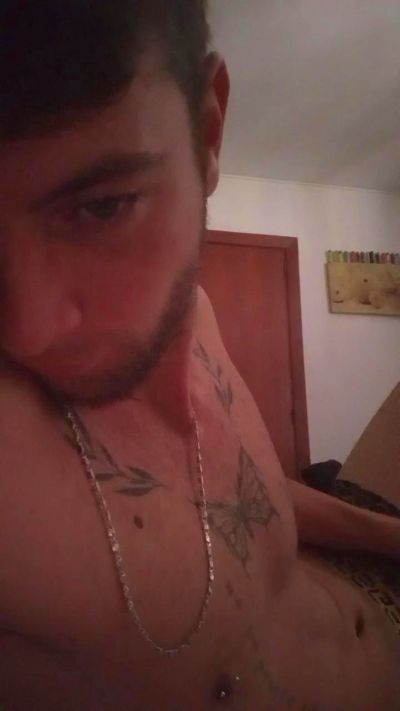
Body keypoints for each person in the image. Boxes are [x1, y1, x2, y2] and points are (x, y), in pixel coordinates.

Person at [0, 2, 399, 709]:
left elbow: (243, 491)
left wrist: (389, 536)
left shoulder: (197, 313)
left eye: (102, 207)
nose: (30, 330)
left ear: (208, 133)